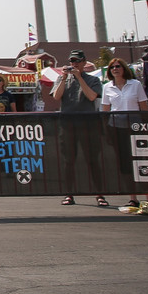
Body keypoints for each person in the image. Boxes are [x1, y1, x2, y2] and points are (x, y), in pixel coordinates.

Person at [53, 50, 105, 207]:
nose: (73, 64)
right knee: (69, 161)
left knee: (92, 160)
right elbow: (56, 96)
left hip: (88, 125)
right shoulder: (62, 79)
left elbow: (91, 96)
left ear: (84, 62)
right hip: (67, 125)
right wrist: (63, 78)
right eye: (71, 61)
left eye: (77, 61)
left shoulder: (93, 79)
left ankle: (100, 194)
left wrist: (79, 78)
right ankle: (69, 194)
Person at [100, 57, 148, 213]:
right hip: (117, 127)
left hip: (136, 127)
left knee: (142, 161)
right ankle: (133, 198)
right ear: (109, 71)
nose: (115, 69)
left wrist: (146, 127)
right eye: (112, 67)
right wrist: (105, 130)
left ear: (124, 69)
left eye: (118, 66)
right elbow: (105, 111)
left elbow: (144, 108)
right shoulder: (107, 87)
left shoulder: (135, 85)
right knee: (126, 164)